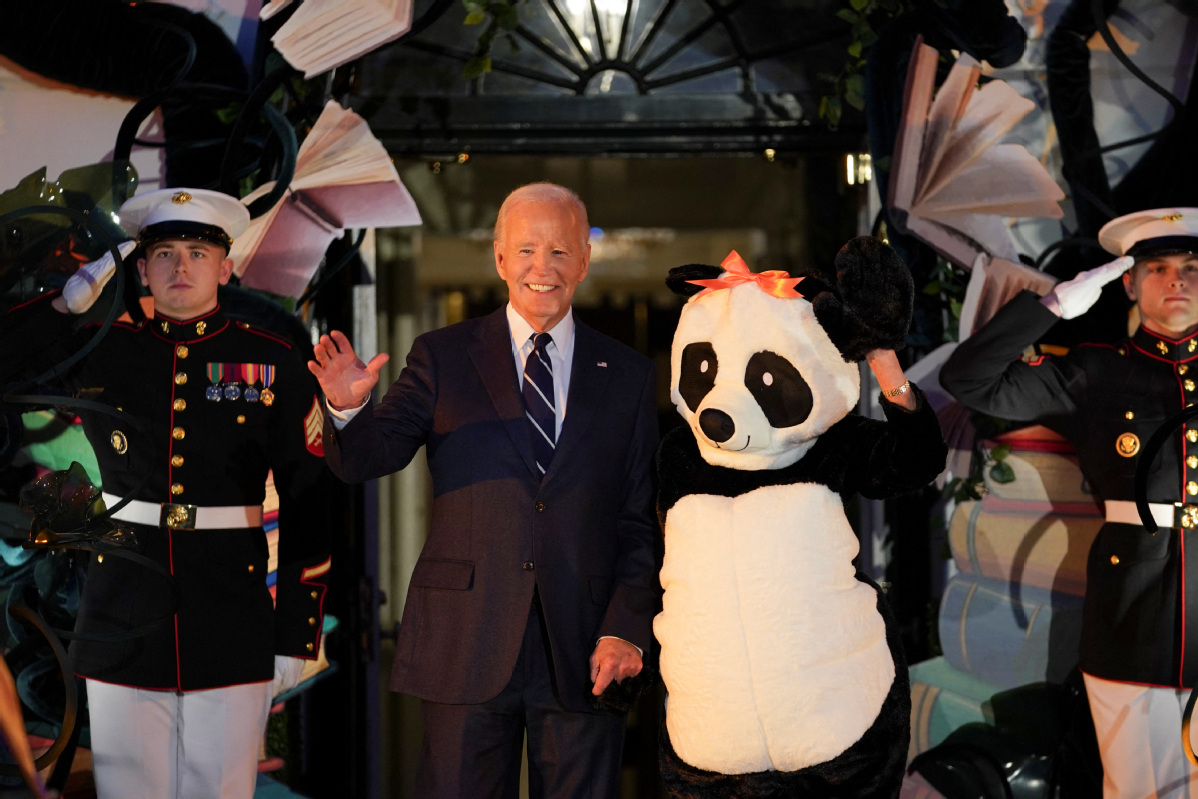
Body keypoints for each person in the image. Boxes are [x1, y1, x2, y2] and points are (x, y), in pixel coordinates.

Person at [310, 182, 660, 799]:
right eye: (526, 250)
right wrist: (345, 410)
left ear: (584, 260)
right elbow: (370, 458)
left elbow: (638, 519)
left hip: (586, 648)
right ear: (499, 259)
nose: (541, 268)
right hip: (464, 639)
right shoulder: (441, 356)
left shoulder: (627, 374)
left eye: (559, 251)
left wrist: (626, 627)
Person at [3, 188, 331, 799]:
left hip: (231, 610)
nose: (181, 267)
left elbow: (309, 503)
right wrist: (66, 304)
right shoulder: (105, 349)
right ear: (143, 268)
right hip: (122, 606)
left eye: (198, 253)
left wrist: (296, 637)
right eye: (165, 254)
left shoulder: (273, 360)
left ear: (225, 268)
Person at [941, 208, 1198, 797]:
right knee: (1138, 786)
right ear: (1129, 284)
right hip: (1132, 614)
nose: (1177, 280)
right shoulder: (1098, 372)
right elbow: (969, 381)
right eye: (1157, 268)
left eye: (1190, 267)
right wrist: (1052, 308)